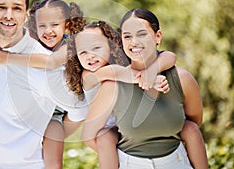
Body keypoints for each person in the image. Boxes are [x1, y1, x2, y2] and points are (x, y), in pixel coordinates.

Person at [0, 0, 88, 169]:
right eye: (42, 26)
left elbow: (51, 62)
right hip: (34, 105)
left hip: (59, 114)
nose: (48, 31)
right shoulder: (34, 38)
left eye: (54, 25)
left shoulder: (70, 45)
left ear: (67, 26)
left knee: (53, 142)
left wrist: (8, 58)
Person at [82, 9, 208, 169]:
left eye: (142, 34)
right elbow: (89, 136)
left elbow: (194, 123)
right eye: (127, 36)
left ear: (158, 37)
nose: (134, 42)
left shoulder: (183, 79)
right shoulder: (113, 85)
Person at [65, 21, 175, 169]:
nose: (90, 56)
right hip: (105, 128)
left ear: (111, 47)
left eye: (96, 48)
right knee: (105, 139)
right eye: (83, 52)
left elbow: (169, 56)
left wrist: (153, 69)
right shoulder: (89, 75)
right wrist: (151, 80)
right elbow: (116, 72)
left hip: (128, 124)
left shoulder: (126, 63)